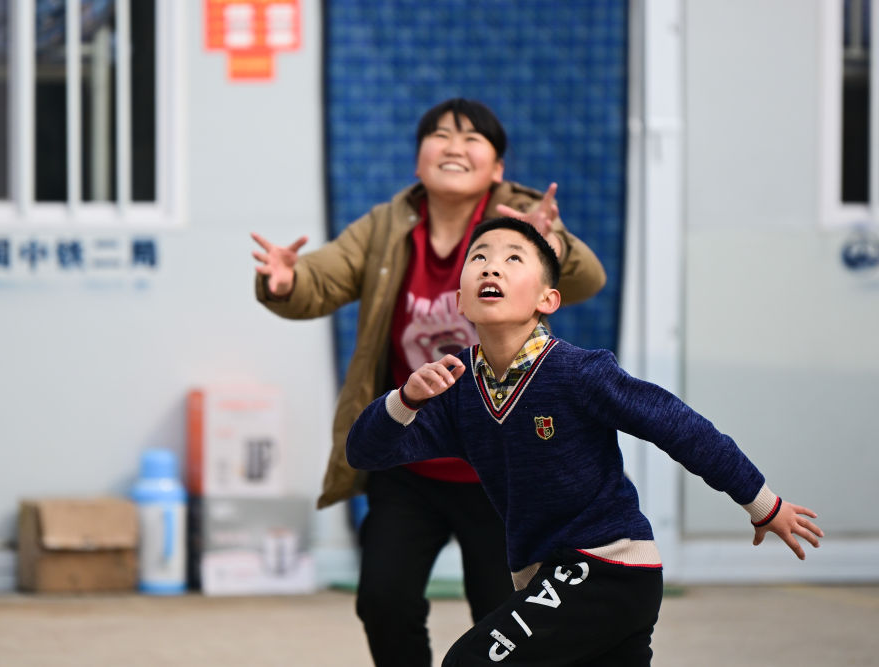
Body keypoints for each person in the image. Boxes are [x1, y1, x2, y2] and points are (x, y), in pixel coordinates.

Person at [346, 217, 824, 666]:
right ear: (459, 302)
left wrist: (763, 503)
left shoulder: (579, 372)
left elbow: (681, 427)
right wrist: (404, 399)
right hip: (545, 578)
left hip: (608, 567)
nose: (491, 266)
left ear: (548, 299)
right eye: (479, 257)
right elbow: (366, 452)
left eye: (513, 258)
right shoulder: (458, 392)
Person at [252, 99, 607, 666]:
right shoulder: (387, 225)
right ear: (418, 160)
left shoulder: (521, 218)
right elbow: (321, 278)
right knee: (383, 601)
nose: (454, 147)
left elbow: (585, 280)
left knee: (502, 618)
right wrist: (286, 282)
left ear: (497, 167)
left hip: (500, 464)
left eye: (472, 138)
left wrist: (554, 246)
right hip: (412, 458)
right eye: (440, 135)